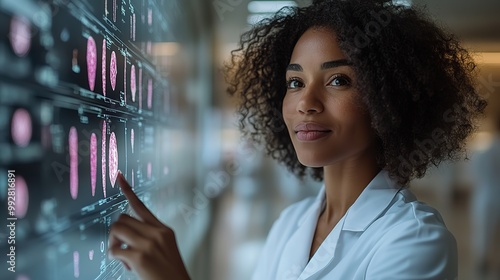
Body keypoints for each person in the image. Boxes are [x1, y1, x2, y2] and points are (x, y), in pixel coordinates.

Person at [107, 0, 487, 279]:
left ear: (389, 99)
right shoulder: (291, 223)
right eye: (295, 82)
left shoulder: (416, 242)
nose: (305, 103)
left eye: (338, 80)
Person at [470, 115, 500, 277]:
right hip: (492, 192)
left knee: (484, 230)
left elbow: (476, 174)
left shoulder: (486, 150)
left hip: (486, 195)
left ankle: (483, 260)